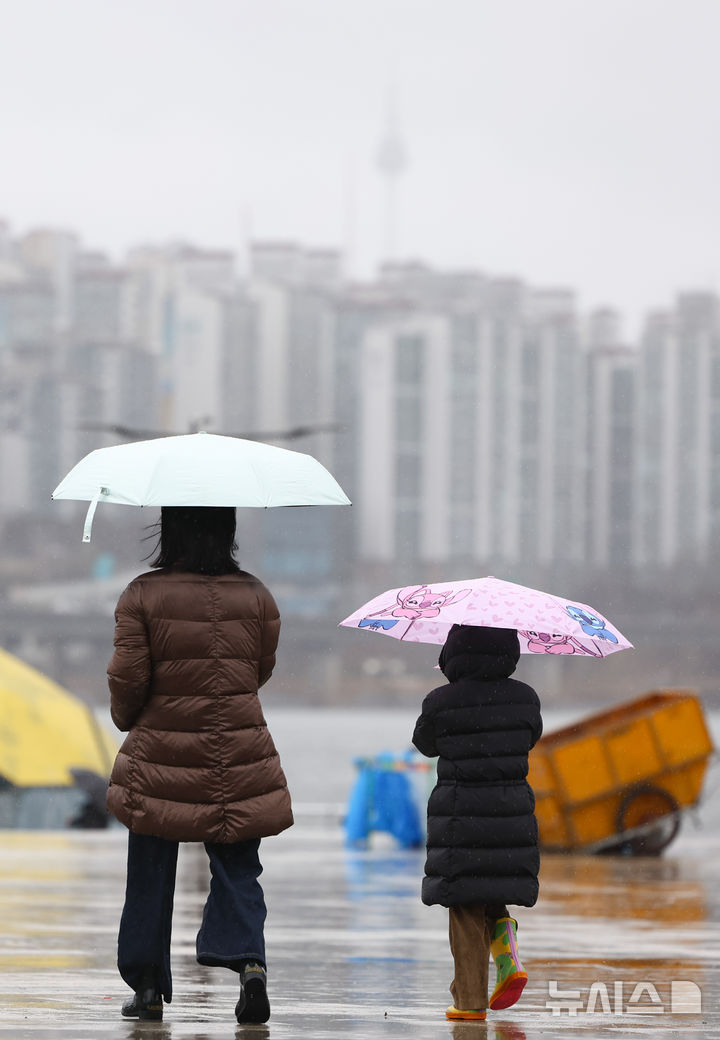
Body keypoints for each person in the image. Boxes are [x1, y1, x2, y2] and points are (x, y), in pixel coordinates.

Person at [106, 506, 292, 1024]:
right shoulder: (256, 595)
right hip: (237, 748)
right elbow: (259, 669)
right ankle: (250, 964)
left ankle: (146, 989)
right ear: (227, 531)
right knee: (238, 866)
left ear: (169, 530)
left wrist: (130, 720)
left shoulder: (142, 594)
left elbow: (128, 677)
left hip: (160, 753)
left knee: (149, 870)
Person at [412, 624, 542, 1022]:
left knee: (465, 902)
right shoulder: (526, 699)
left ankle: (469, 1002)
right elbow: (531, 737)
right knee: (490, 885)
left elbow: (425, 743)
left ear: (454, 652)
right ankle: (506, 946)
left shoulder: (441, 701)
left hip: (460, 814)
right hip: (511, 814)